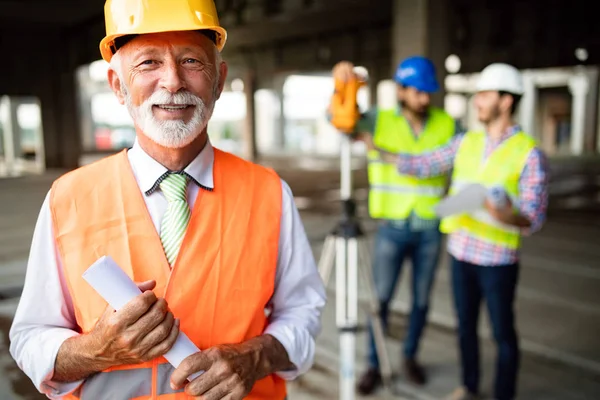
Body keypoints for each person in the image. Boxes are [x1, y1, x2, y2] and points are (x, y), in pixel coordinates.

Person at [9, 1, 326, 399]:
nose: (173, 81)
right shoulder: (68, 199)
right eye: (148, 63)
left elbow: (302, 311)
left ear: (219, 80)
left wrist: (256, 356)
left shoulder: (268, 193)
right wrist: (95, 350)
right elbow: (29, 338)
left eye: (192, 60)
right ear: (117, 85)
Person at [362, 63, 549, 400]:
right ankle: (469, 386)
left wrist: (508, 214)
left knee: (502, 334)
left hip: (498, 259)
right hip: (461, 252)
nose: (477, 101)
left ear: (506, 101)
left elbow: (534, 217)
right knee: (465, 329)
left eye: (485, 95)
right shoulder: (466, 142)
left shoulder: (529, 153)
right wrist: (378, 149)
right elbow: (424, 164)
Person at [332, 56, 459, 394]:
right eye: (418, 92)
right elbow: (338, 119)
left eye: (428, 93)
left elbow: (465, 162)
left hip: (430, 226)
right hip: (392, 225)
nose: (424, 99)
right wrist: (342, 86)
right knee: (381, 300)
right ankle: (374, 364)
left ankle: (410, 357)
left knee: (421, 301)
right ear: (401, 90)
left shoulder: (448, 124)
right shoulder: (378, 120)